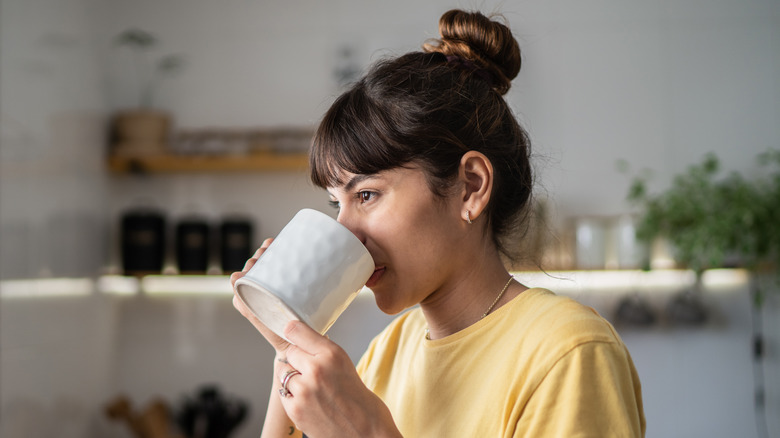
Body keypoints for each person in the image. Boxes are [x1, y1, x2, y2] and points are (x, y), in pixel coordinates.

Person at [231, 9, 645, 438]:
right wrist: (290, 349)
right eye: (337, 204)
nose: (345, 229)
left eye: (366, 195)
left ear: (470, 187)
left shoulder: (568, 351)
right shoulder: (389, 351)